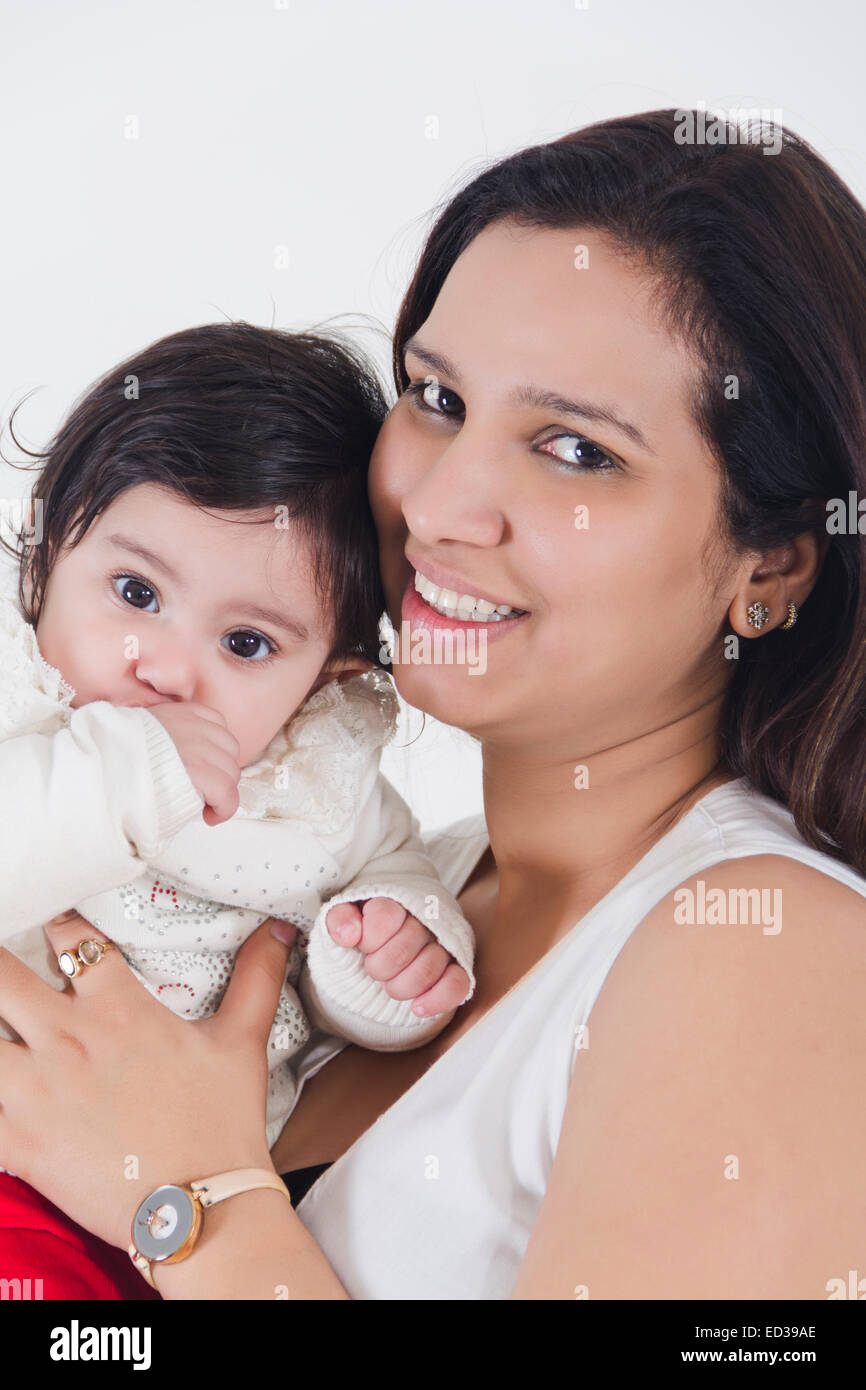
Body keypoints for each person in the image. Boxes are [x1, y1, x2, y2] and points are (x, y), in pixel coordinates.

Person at [1, 106, 865, 1300]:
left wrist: (185, 1197)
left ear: (768, 562)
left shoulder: (768, 952)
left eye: (574, 451)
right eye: (437, 399)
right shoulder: (402, 889)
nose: (442, 505)